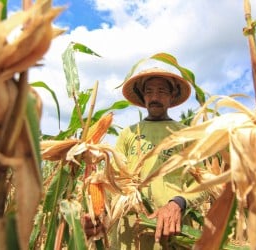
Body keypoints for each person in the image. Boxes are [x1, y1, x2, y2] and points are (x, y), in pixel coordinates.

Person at [85, 68, 205, 249]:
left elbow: (202, 183)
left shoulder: (186, 135)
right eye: (149, 92)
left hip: (173, 233)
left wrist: (177, 203)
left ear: (172, 96)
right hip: (130, 232)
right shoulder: (128, 134)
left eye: (162, 91)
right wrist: (99, 214)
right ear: (143, 97)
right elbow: (114, 180)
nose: (154, 97)